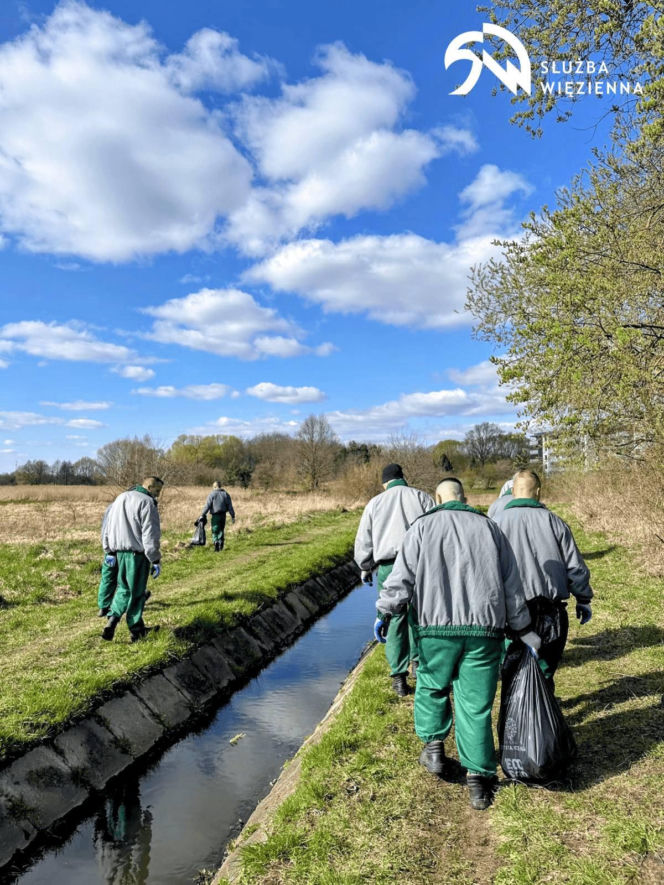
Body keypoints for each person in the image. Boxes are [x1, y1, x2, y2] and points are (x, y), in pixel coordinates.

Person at [376, 477, 539, 810]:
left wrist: (385, 612)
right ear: (464, 498)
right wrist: (522, 628)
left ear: (437, 498)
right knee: (476, 705)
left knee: (432, 687)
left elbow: (402, 578)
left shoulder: (420, 529)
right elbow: (512, 584)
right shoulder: (491, 529)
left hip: (435, 631)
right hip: (484, 631)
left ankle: (434, 747)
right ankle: (478, 782)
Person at [492, 469, 593, 687]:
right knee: (546, 666)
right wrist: (583, 599)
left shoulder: (494, 524)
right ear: (538, 491)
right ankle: (543, 708)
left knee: (513, 664)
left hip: (509, 611)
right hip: (550, 610)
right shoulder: (555, 522)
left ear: (512, 491)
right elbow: (575, 566)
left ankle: (519, 709)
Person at [354, 464, 434, 697]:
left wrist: (365, 566)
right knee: (419, 615)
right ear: (403, 478)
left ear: (384, 483)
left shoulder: (374, 503)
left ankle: (399, 677)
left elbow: (364, 541)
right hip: (420, 564)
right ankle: (419, 666)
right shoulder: (422, 497)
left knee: (394, 618)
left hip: (389, 566)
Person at [101, 476, 164, 642]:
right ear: (150, 487)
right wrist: (155, 559)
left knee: (123, 589)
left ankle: (112, 620)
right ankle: (137, 630)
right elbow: (150, 533)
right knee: (137, 593)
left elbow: (108, 526)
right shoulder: (147, 502)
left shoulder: (120, 497)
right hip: (137, 555)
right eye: (157, 491)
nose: (158, 495)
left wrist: (109, 550)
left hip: (119, 552)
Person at [199, 481, 235, 552]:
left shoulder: (211, 495)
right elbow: (230, 506)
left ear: (214, 487)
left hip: (215, 516)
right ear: (220, 486)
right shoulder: (225, 494)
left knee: (215, 530)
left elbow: (207, 506)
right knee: (221, 530)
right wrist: (232, 516)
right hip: (223, 515)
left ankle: (216, 544)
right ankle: (221, 544)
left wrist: (202, 514)